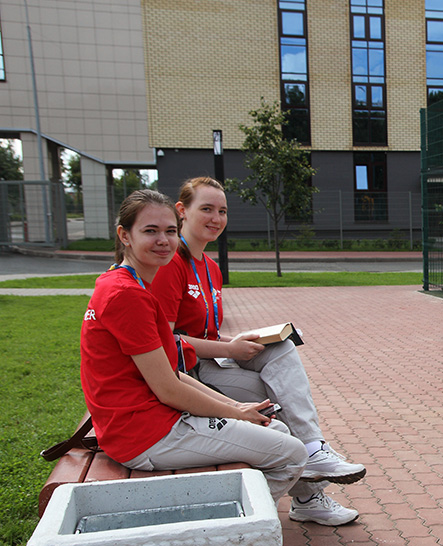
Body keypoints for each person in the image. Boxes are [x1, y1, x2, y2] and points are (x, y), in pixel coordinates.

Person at [81, 189, 353, 524]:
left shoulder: (132, 287)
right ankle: (223, 535)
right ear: (125, 235)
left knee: (279, 432)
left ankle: (252, 518)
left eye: (168, 231)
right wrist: (233, 411)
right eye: (150, 231)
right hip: (144, 433)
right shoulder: (128, 294)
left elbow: (170, 374)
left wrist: (237, 410)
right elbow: (169, 387)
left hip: (152, 419)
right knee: (290, 453)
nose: (164, 240)